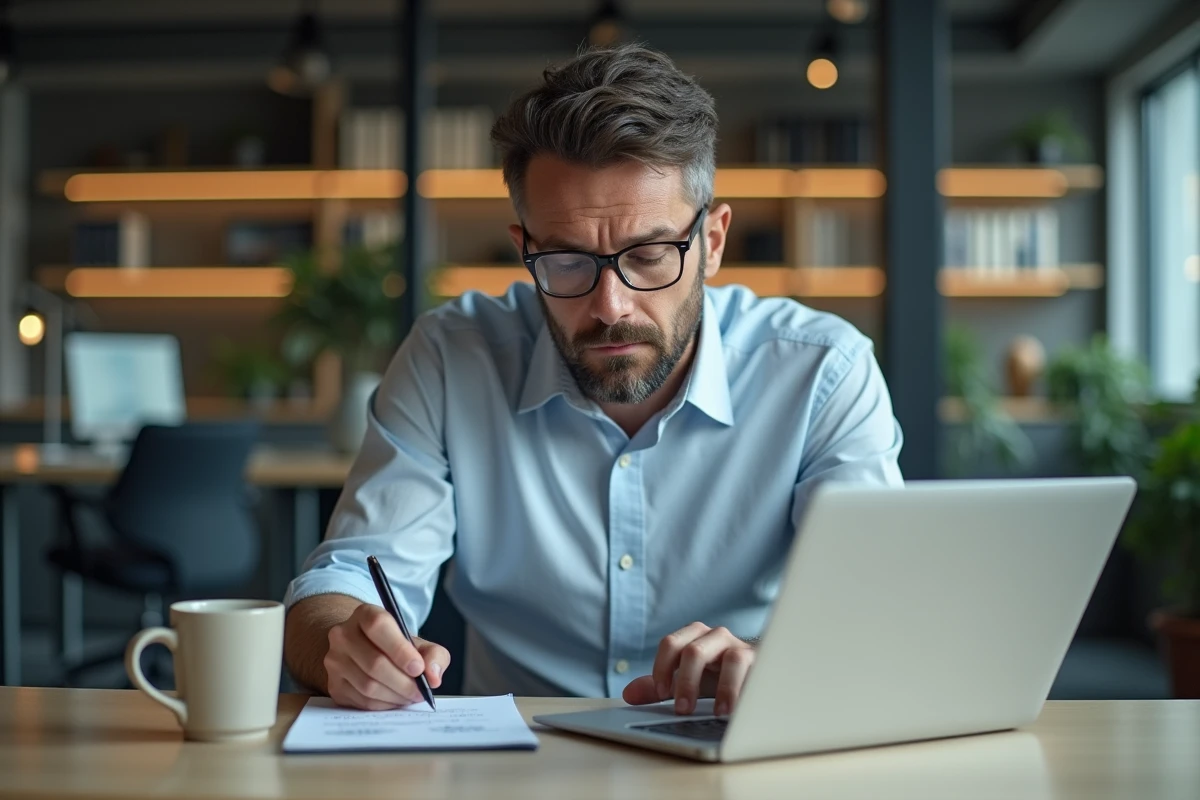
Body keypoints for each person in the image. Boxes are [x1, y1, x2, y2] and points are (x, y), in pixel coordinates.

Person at [283, 43, 903, 717]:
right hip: (518, 759)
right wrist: (344, 645)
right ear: (524, 248)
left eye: (650, 254)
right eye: (568, 261)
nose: (611, 306)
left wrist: (781, 663)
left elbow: (880, 608)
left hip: (734, 749)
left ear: (713, 242)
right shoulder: (450, 359)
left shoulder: (822, 372)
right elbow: (344, 580)